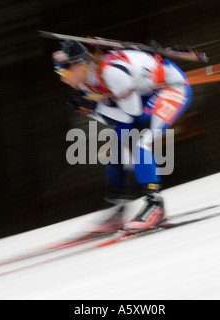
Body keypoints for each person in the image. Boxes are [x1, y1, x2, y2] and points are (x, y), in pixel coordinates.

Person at [53, 40, 193, 232]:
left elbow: (130, 117)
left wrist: (95, 107)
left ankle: (155, 205)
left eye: (65, 71)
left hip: (171, 87)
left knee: (137, 140)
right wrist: (91, 110)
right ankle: (118, 207)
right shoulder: (87, 82)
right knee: (119, 147)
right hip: (144, 92)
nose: (63, 78)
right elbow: (116, 118)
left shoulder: (113, 73)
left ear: (81, 63)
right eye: (58, 71)